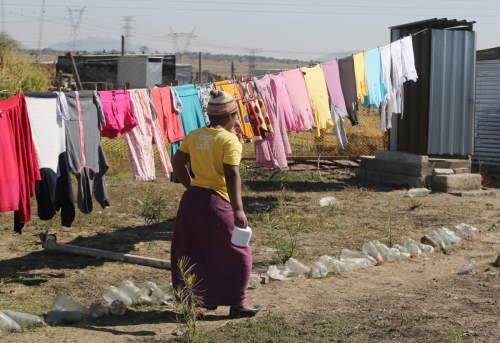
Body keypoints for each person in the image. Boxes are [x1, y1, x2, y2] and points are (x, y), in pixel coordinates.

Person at [170, 90, 261, 318]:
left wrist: (191, 187)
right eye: (236, 117)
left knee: (195, 249)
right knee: (239, 252)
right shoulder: (229, 140)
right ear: (230, 116)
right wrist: (238, 209)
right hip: (217, 202)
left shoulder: (194, 135)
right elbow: (231, 175)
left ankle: (202, 298)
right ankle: (238, 303)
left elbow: (177, 164)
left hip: (192, 201)